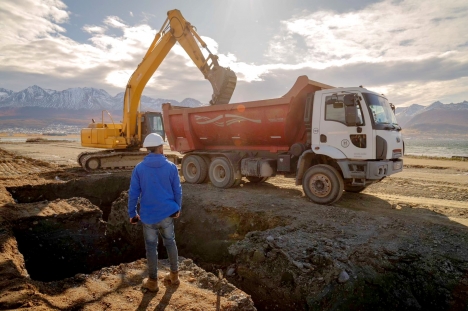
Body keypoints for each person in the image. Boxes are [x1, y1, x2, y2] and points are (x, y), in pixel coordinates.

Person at [128, 133, 182, 292]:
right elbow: (177, 191)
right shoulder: (171, 167)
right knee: (170, 241)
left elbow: (133, 193)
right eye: (162, 146)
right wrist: (177, 208)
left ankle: (152, 282)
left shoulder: (139, 168)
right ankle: (174, 276)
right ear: (159, 148)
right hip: (167, 213)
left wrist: (132, 214)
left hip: (148, 216)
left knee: (151, 246)